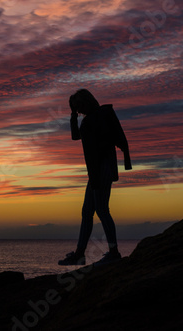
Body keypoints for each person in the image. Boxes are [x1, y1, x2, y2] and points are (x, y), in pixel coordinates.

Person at [58, 89, 131, 266]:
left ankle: (114, 252)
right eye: (77, 107)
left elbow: (111, 142)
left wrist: (102, 172)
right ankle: (80, 254)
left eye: (80, 106)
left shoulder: (101, 116)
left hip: (102, 168)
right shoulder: (87, 119)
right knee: (87, 212)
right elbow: (76, 136)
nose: (79, 110)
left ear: (87, 102)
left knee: (102, 210)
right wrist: (73, 115)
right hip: (95, 170)